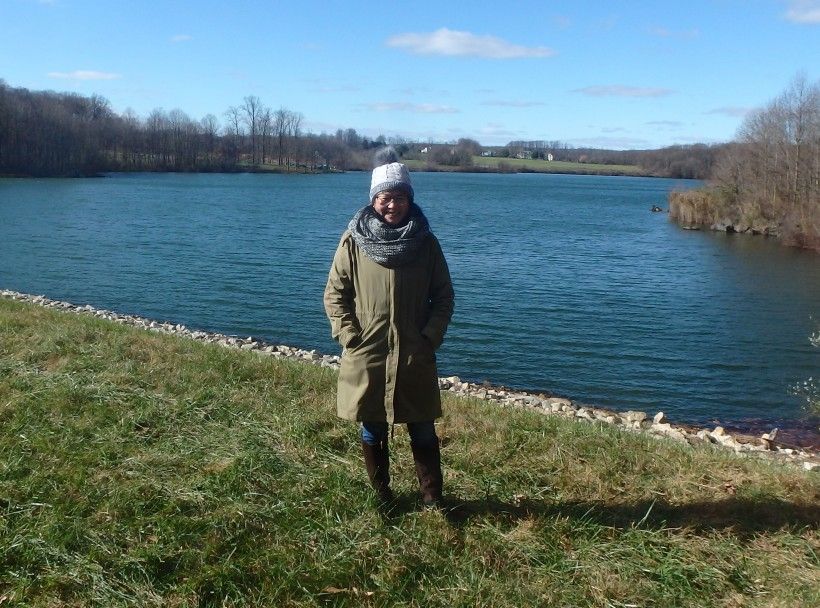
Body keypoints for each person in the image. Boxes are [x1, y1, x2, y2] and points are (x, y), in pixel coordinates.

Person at [323, 148, 454, 508]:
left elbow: (443, 297)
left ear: (409, 199)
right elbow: (335, 295)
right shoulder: (353, 241)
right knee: (373, 428)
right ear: (373, 199)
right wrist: (350, 337)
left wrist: (430, 338)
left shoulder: (426, 243)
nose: (392, 205)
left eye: (399, 197)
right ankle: (382, 497)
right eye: (385, 197)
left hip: (415, 354)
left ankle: (432, 500)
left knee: (423, 430)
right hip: (369, 355)